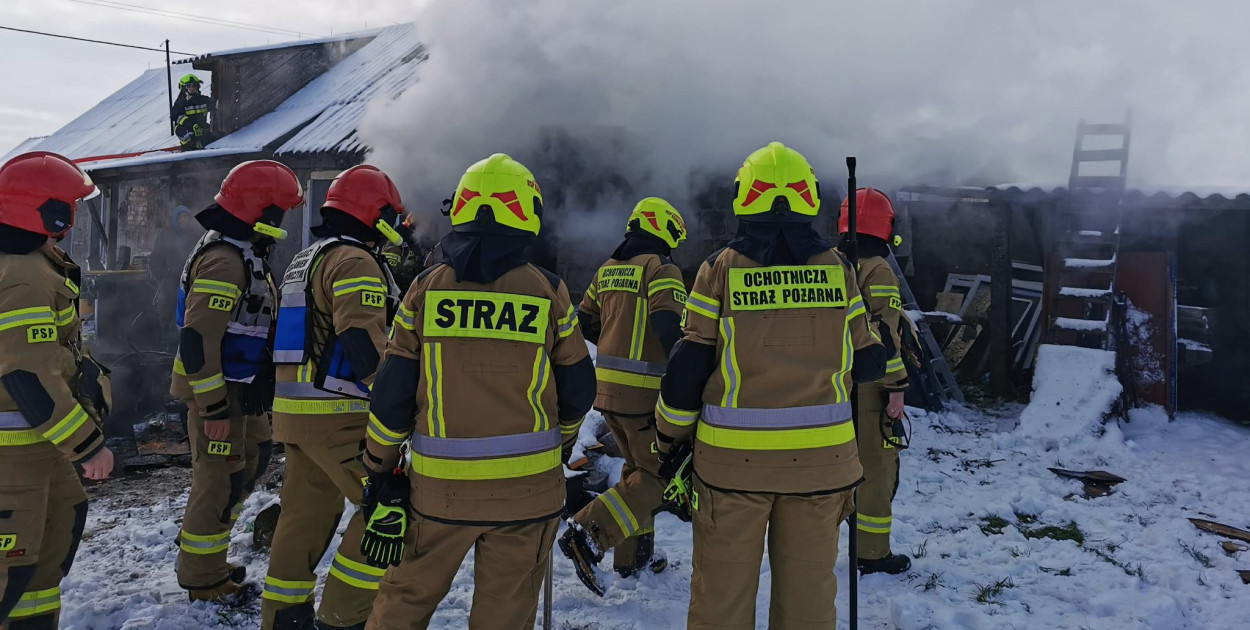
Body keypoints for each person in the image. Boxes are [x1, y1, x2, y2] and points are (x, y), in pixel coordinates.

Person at [655, 142, 887, 629]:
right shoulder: (839, 269)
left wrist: (668, 433)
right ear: (809, 198)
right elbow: (868, 364)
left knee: (720, 599)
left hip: (732, 470)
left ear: (745, 197)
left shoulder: (719, 269)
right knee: (808, 602)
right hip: (823, 469)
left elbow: (690, 363)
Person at [362, 153, 596, 630]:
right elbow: (578, 389)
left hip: (439, 496)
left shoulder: (425, 289)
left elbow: (392, 395)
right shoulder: (549, 291)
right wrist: (562, 443)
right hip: (528, 496)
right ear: (526, 212)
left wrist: (378, 468)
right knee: (505, 616)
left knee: (403, 604)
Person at [261, 165, 411, 630]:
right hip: (340, 415)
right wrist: (398, 401)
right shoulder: (355, 262)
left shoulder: (306, 258)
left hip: (295, 415)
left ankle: (284, 617)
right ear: (376, 213)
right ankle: (342, 618)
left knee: (303, 518)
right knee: (387, 512)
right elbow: (363, 343)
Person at [170, 160, 303, 601]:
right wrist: (213, 410)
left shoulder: (243, 251)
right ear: (259, 211)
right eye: (279, 212)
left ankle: (203, 538)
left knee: (253, 457)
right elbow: (197, 340)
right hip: (219, 391)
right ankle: (203, 579)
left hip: (241, 389)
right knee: (218, 481)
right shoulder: (225, 261)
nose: (282, 222)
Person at [0, 151, 115, 628]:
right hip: (15, 457)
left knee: (44, 560)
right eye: (68, 206)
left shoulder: (34, 265)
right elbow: (27, 376)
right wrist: (86, 445)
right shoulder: (24, 275)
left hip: (39, 446)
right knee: (11, 573)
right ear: (47, 212)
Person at [559, 197, 688, 595]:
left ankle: (634, 559)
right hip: (647, 398)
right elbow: (671, 332)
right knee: (659, 478)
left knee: (635, 473)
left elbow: (584, 322)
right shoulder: (661, 269)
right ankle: (589, 533)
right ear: (662, 228)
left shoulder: (607, 271)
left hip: (610, 393)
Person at [838, 188, 912, 576]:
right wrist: (896, 386)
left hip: (833, 387)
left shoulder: (830, 264)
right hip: (869, 390)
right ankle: (872, 553)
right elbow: (885, 336)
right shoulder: (878, 270)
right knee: (877, 471)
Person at [172, 74, 214, 152]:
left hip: (202, 129)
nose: (192, 88)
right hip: (188, 130)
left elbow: (215, 104)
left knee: (213, 133)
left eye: (194, 86)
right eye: (189, 86)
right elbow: (176, 117)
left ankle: (204, 145)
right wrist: (192, 126)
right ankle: (188, 148)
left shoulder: (203, 100)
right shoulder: (180, 103)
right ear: (184, 88)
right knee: (180, 130)